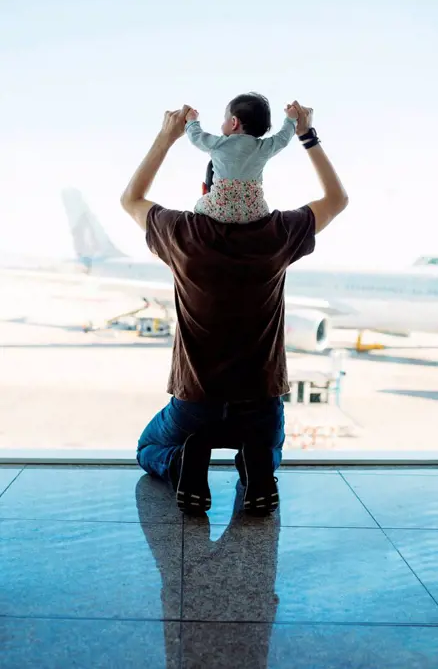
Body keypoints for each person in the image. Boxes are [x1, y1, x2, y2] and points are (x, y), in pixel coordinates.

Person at [121, 101, 348, 516]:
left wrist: (167, 136)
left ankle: (181, 463)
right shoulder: (279, 232)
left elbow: (131, 198)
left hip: (196, 399)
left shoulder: (182, 232)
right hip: (260, 399)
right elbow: (337, 199)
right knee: (267, 445)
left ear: (208, 189)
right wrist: (306, 134)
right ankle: (255, 465)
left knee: (150, 446)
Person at [185, 93, 297, 223]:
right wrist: (291, 119)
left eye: (224, 119)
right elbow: (283, 138)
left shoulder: (219, 144)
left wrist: (192, 120)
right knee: (264, 207)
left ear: (234, 122)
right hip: (255, 212)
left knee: (199, 206)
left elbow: (196, 136)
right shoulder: (264, 147)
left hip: (220, 210)